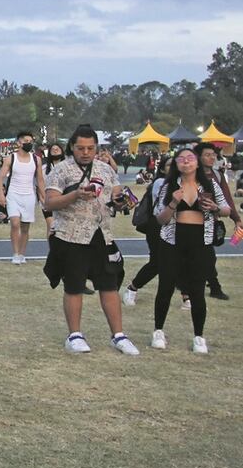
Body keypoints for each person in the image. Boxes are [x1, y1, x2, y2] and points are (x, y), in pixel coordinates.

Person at [43, 125, 139, 355]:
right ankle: (74, 335)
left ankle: (119, 335)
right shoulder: (61, 170)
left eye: (90, 148)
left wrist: (122, 202)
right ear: (72, 147)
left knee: (109, 285)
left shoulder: (105, 169)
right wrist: (76, 194)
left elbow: (116, 195)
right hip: (71, 236)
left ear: (96, 148)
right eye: (80, 148)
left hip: (102, 235)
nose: (85, 152)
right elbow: (50, 202)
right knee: (74, 286)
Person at [150, 148, 230, 353]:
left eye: (190, 158)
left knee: (197, 290)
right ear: (176, 164)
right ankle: (158, 331)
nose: (186, 162)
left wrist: (214, 207)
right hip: (172, 242)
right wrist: (173, 202)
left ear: (197, 162)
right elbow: (160, 219)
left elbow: (226, 209)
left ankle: (199, 337)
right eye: (181, 159)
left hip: (200, 242)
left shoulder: (210, 184)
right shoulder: (168, 185)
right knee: (165, 287)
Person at [123, 155, 172, 306]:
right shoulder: (160, 182)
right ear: (162, 169)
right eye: (169, 165)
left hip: (173, 226)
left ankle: (186, 296)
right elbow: (162, 207)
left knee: (176, 261)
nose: (173, 168)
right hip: (157, 225)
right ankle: (132, 288)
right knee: (156, 262)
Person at [195, 142, 241, 301]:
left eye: (213, 155)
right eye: (207, 155)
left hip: (210, 221)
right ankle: (213, 287)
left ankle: (211, 286)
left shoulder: (217, 175)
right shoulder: (190, 174)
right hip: (190, 222)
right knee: (204, 256)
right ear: (198, 157)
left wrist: (236, 219)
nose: (212, 158)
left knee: (207, 256)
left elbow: (227, 199)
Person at [0, 132, 46, 264]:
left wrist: (44, 196)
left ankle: (22, 254)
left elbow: (40, 179)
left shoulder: (36, 160)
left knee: (25, 227)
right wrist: (1, 195)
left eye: (30, 141)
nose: (29, 143)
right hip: (13, 195)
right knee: (15, 223)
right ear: (19, 143)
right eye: (26, 141)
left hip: (29, 196)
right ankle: (15, 253)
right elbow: (0, 177)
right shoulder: (11, 158)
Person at [41, 143, 66, 238]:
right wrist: (43, 199)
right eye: (53, 149)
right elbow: (40, 184)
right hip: (48, 201)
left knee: (63, 228)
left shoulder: (68, 167)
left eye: (57, 149)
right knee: (51, 226)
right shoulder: (44, 169)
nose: (55, 151)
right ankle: (51, 246)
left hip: (64, 201)